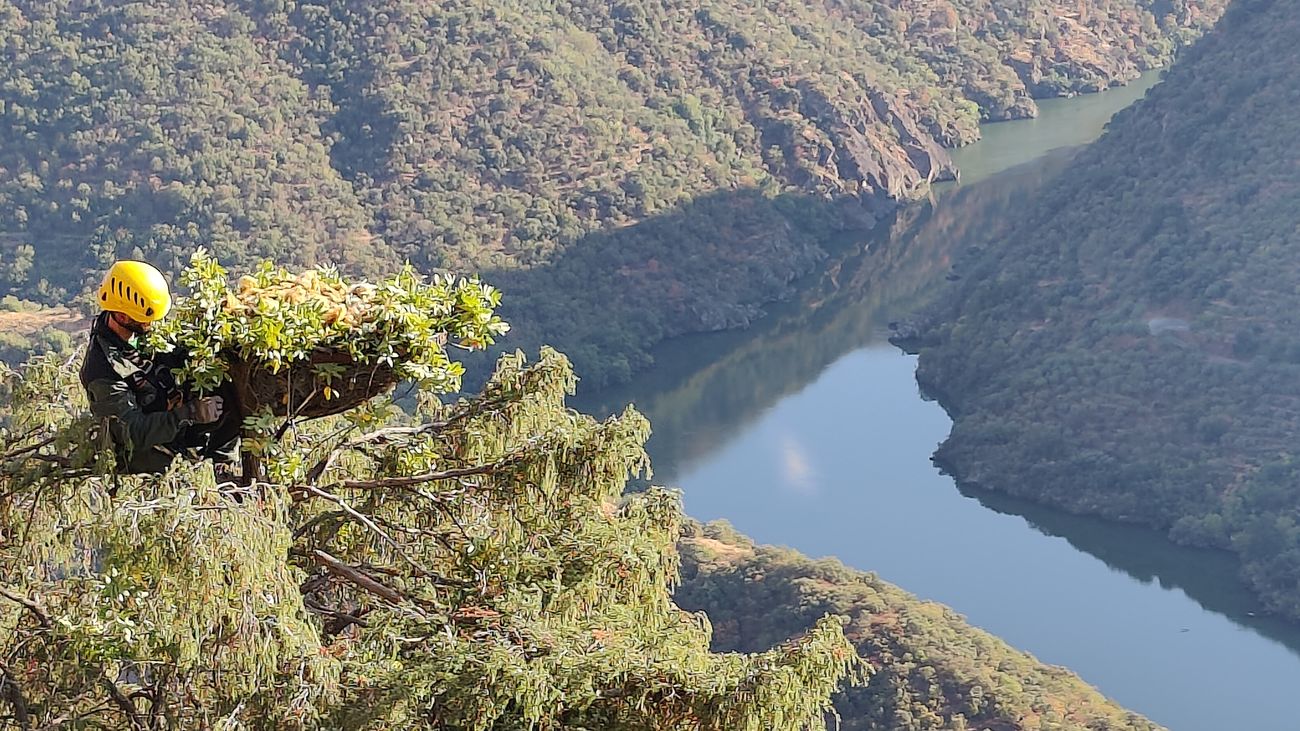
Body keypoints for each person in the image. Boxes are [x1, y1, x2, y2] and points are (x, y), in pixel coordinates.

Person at [79, 260, 241, 475]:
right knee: (182, 470)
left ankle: (222, 464)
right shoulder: (102, 371)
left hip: (170, 411)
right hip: (145, 448)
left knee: (230, 390)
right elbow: (133, 432)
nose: (152, 325)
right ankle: (204, 479)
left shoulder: (140, 333)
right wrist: (190, 412)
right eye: (146, 320)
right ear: (122, 316)